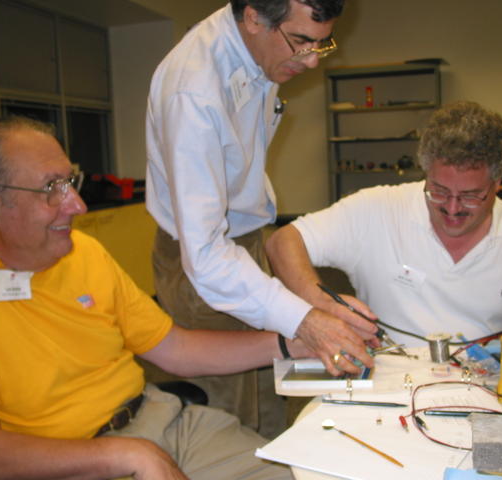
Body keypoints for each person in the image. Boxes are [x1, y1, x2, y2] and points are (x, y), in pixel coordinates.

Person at [0, 116, 305, 480]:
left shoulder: (82, 251)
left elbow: (176, 348)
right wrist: (125, 454)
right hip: (74, 463)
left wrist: (292, 343)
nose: (77, 205)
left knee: (305, 473)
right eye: (51, 188)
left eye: (70, 182)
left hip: (162, 422)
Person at [145, 0, 375, 436]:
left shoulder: (259, 50)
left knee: (269, 397)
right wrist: (306, 320)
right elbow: (206, 256)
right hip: (203, 261)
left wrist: (311, 305)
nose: (311, 60)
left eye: (321, 44)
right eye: (301, 41)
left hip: (244, 238)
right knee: (226, 419)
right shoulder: (193, 91)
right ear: (252, 17)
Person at [265, 101, 502, 355]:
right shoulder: (376, 210)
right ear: (426, 171)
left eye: (471, 196)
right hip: (389, 386)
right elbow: (283, 241)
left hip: (490, 388)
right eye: (439, 191)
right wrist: (318, 307)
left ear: (497, 183)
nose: (453, 208)